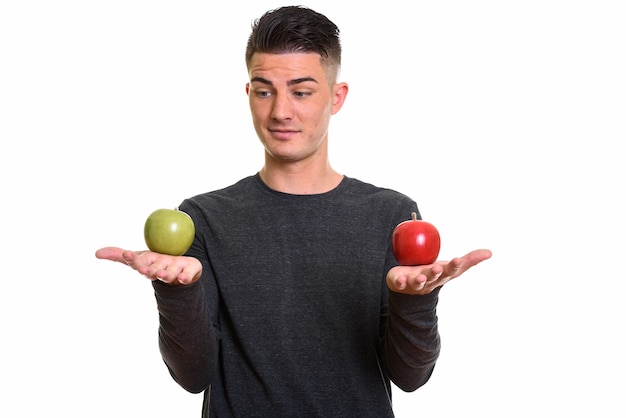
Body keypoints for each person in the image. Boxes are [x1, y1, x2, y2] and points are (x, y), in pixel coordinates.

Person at [96, 5, 492, 417]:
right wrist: (176, 291)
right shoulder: (204, 218)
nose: (280, 111)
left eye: (301, 92)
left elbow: (411, 377)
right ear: (248, 94)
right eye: (264, 90)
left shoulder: (390, 215)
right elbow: (193, 376)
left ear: (336, 98)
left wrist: (415, 301)